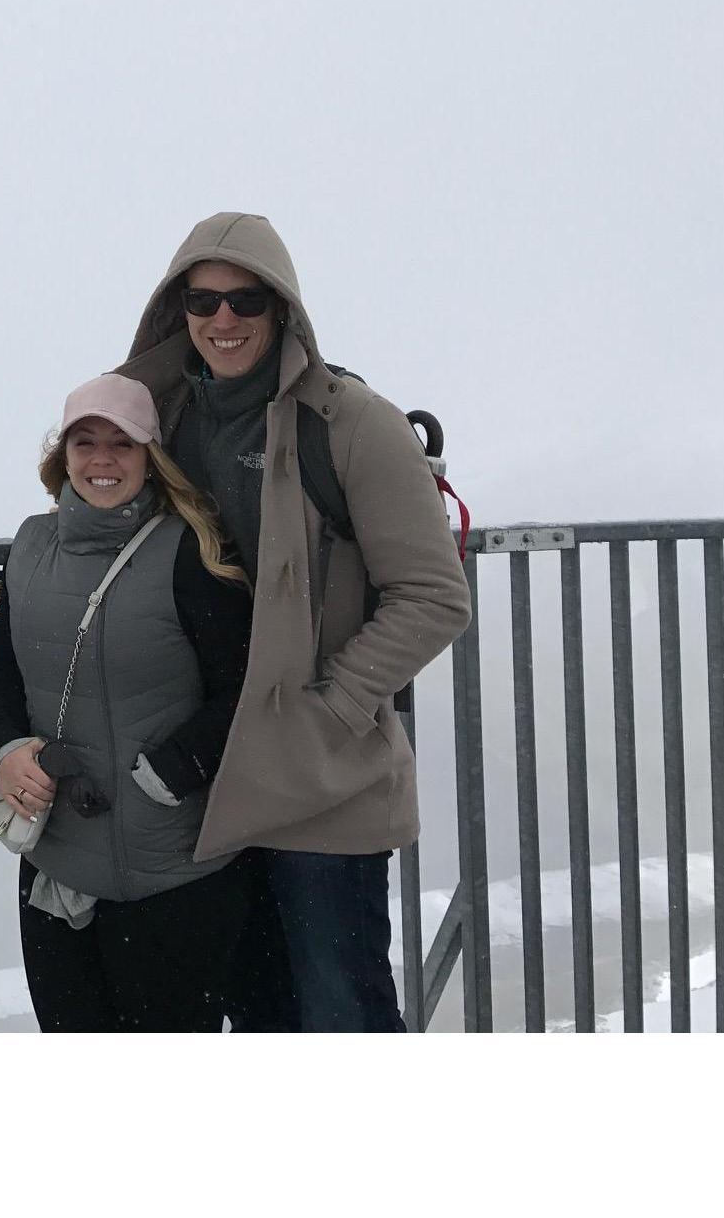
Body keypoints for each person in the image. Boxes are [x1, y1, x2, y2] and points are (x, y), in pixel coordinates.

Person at [116, 212, 472, 1032]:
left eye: (247, 299)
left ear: (283, 310)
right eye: (203, 302)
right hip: (206, 772)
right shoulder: (159, 421)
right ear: (178, 311)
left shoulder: (351, 422)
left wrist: (328, 709)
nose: (224, 320)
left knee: (339, 1008)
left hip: (323, 785)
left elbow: (433, 595)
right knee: (257, 1013)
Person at [0, 372, 258, 1032]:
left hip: (174, 878)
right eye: (85, 442)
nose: (102, 460)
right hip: (57, 875)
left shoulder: (191, 551)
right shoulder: (30, 548)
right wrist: (6, 751)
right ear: (62, 456)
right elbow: (1, 679)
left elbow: (247, 686)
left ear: (150, 457)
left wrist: (174, 771)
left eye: (122, 444)